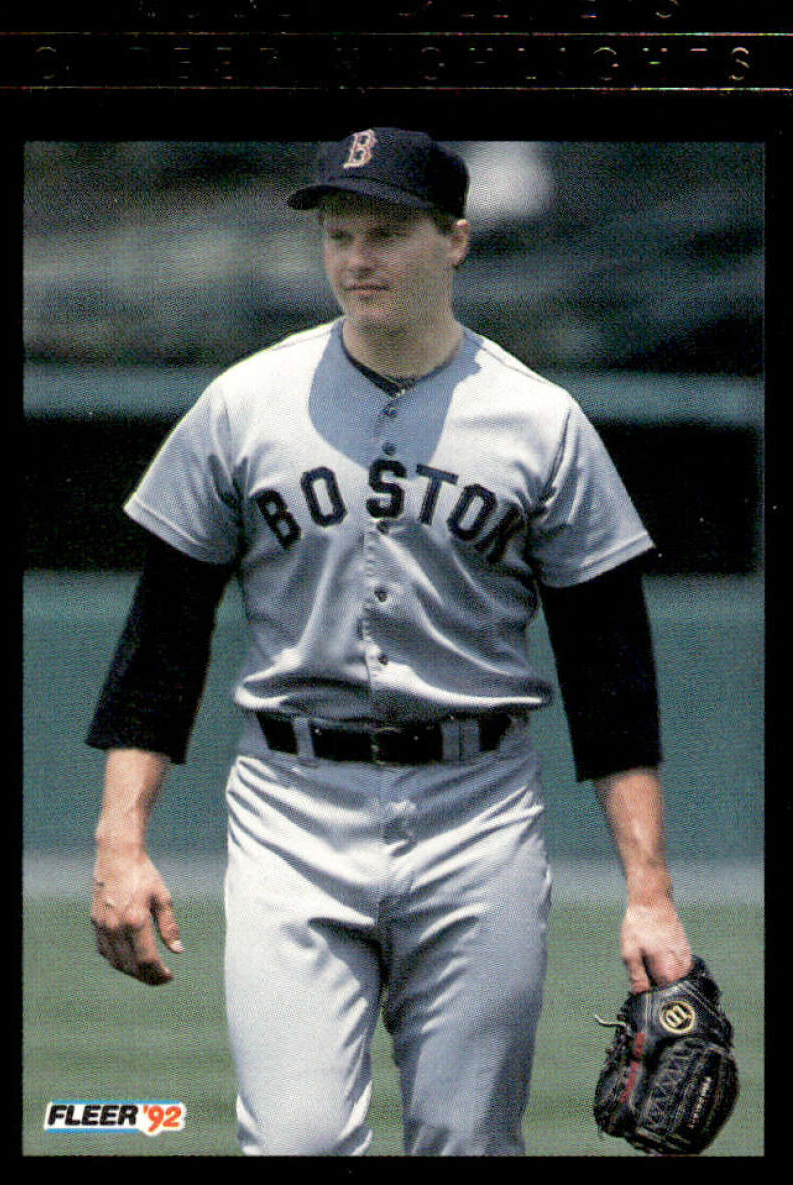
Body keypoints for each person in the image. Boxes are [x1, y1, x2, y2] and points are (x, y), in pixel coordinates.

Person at [88, 127, 693, 1157]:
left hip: (477, 809)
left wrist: (650, 898)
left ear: (454, 240)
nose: (356, 259)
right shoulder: (242, 405)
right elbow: (163, 641)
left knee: (464, 1140)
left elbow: (609, 678)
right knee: (296, 1141)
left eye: (385, 233)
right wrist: (119, 840)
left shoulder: (539, 422)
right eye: (337, 235)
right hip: (291, 805)